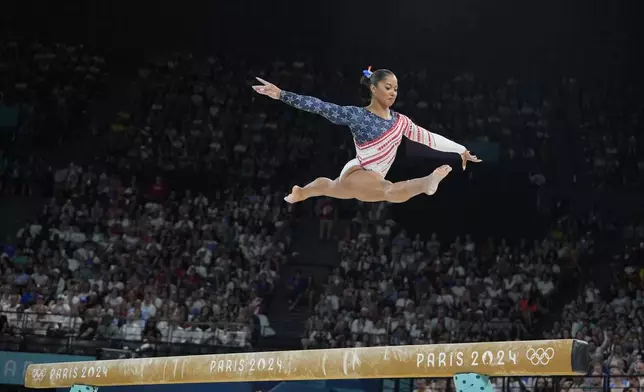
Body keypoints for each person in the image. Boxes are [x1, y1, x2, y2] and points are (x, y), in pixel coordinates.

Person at [252, 67, 481, 204]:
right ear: (373, 88)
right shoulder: (357, 116)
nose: (393, 93)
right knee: (388, 190)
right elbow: (320, 106)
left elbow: (429, 138)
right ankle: (426, 184)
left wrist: (460, 149)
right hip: (360, 171)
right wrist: (281, 94)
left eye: (396, 88)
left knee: (330, 187)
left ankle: (301, 192)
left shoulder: (401, 121)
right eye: (388, 87)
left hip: (370, 176)